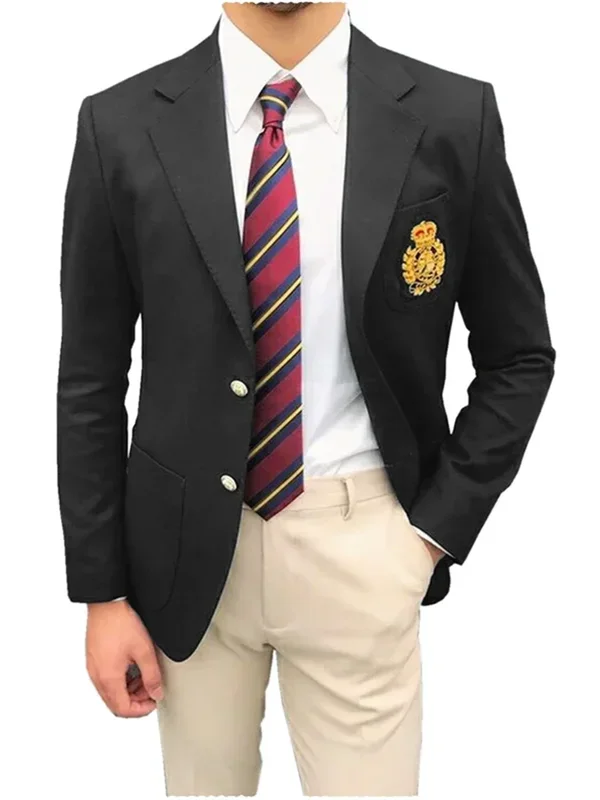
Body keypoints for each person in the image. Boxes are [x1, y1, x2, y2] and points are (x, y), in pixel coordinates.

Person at [57, 1, 555, 795]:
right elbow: (89, 378)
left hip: (366, 545)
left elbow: (519, 356)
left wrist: (430, 535)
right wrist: (102, 592)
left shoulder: (452, 116)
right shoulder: (119, 125)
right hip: (184, 565)